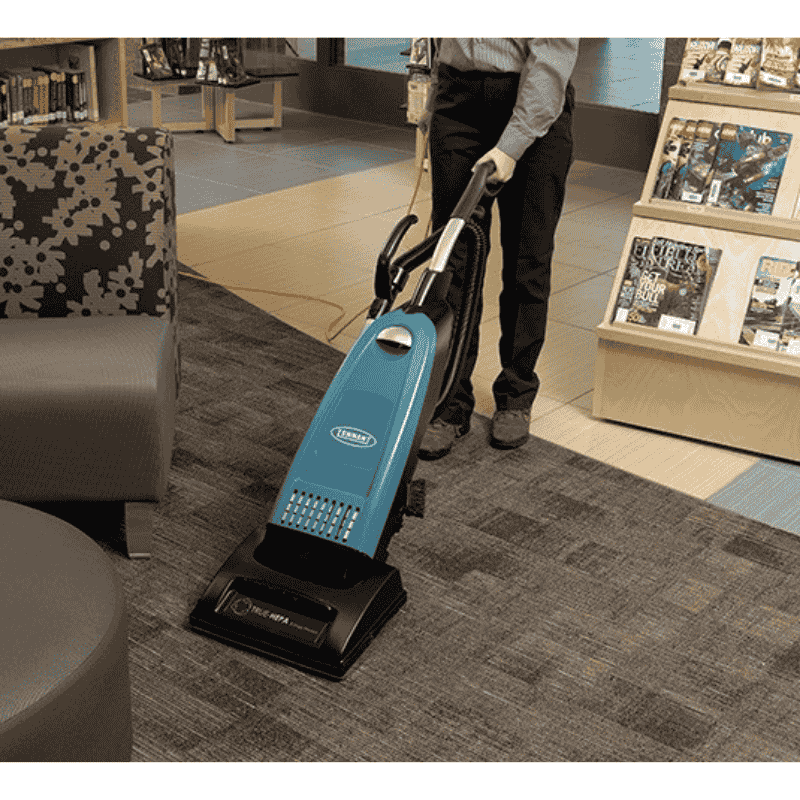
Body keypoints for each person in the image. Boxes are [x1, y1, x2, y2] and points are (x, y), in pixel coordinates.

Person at [417, 38, 579, 459]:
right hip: (458, 102)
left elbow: (551, 60)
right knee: (454, 258)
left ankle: (516, 393)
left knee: (527, 260)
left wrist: (512, 145)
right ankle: (449, 400)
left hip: (533, 105)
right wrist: (434, 101)